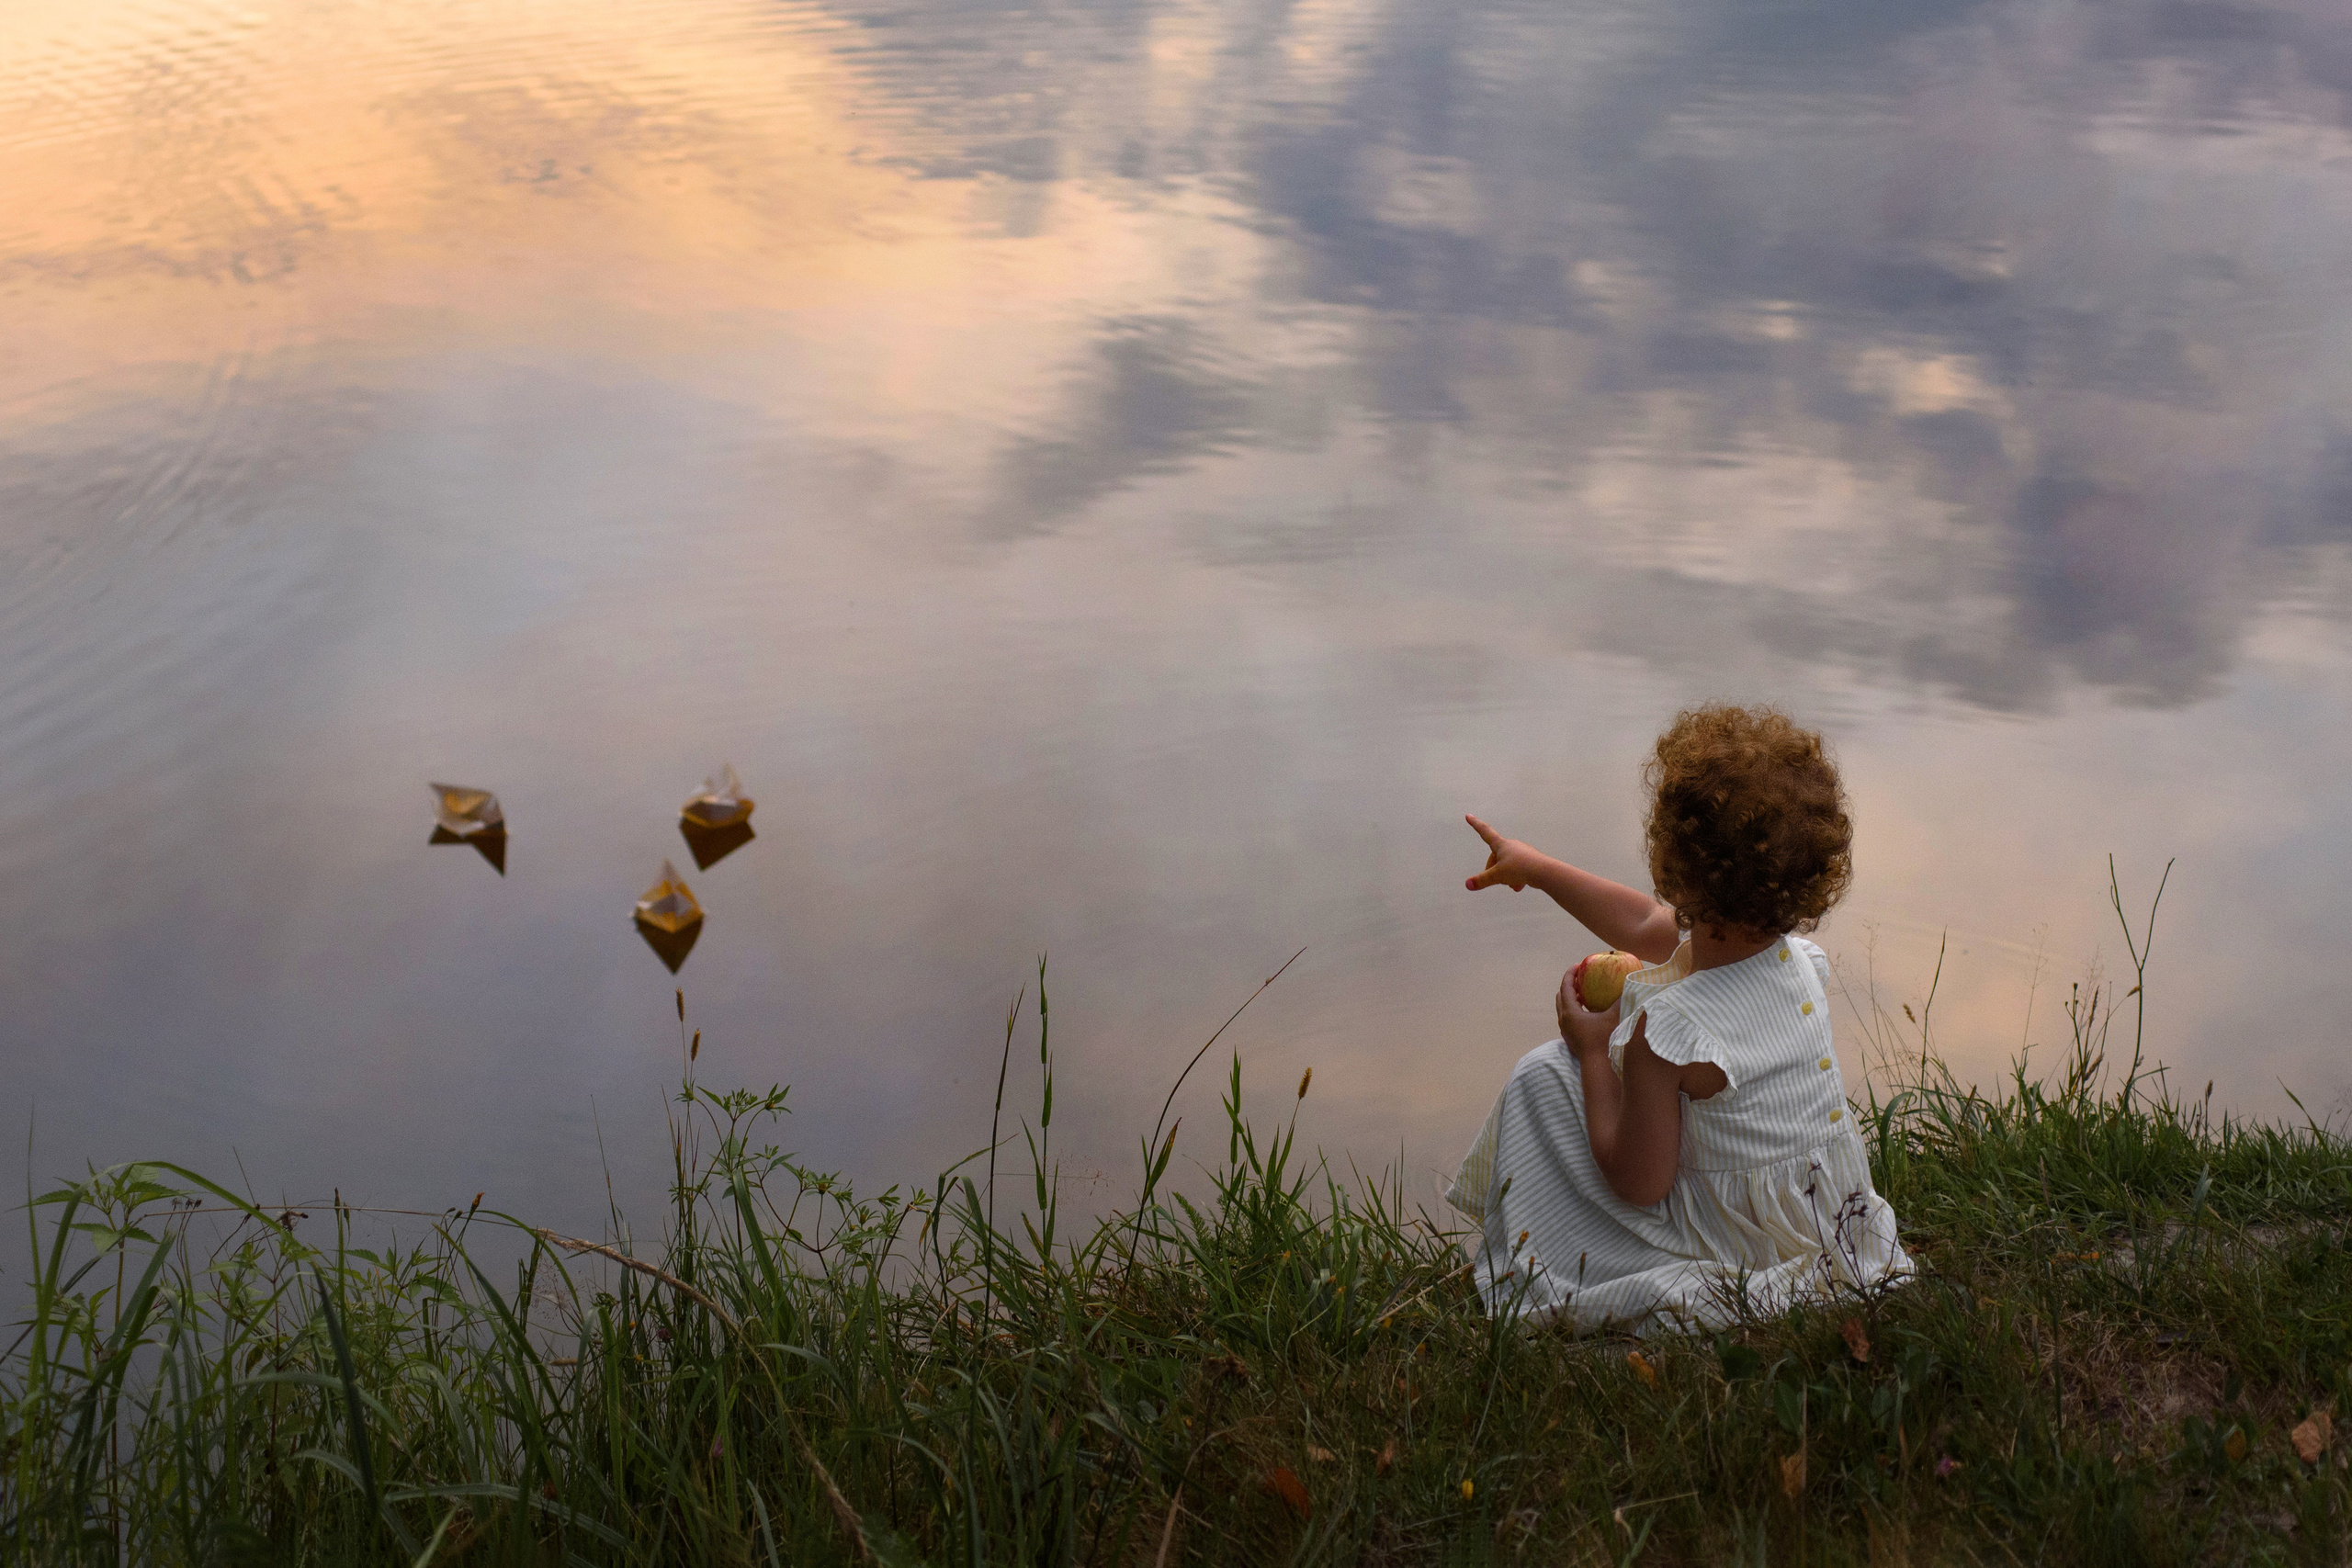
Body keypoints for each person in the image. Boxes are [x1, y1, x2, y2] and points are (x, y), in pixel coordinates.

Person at [1448, 704, 1911, 1332]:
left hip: (1735, 1243)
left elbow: (1637, 1181)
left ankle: (1541, 1256)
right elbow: (1643, 924)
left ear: (1675, 863)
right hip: (1830, 1221)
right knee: (1550, 1074)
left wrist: (1591, 1050)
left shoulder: (1666, 1037)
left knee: (1540, 1077)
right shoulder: (1800, 965)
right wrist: (1536, 868)